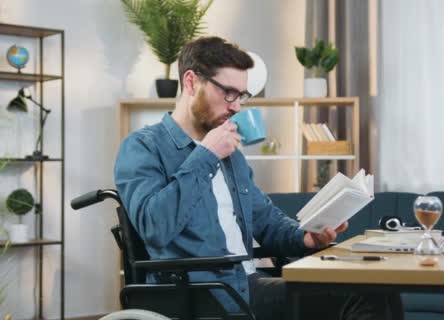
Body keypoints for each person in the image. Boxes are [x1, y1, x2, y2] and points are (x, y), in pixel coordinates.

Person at [114, 36, 402, 320]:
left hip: (247, 286)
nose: (237, 106)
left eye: (241, 96)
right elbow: (155, 226)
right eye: (228, 92)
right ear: (191, 82)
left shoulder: (231, 155)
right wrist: (205, 156)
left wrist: (307, 237)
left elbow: (266, 220)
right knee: (364, 296)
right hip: (200, 295)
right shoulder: (143, 147)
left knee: (376, 289)